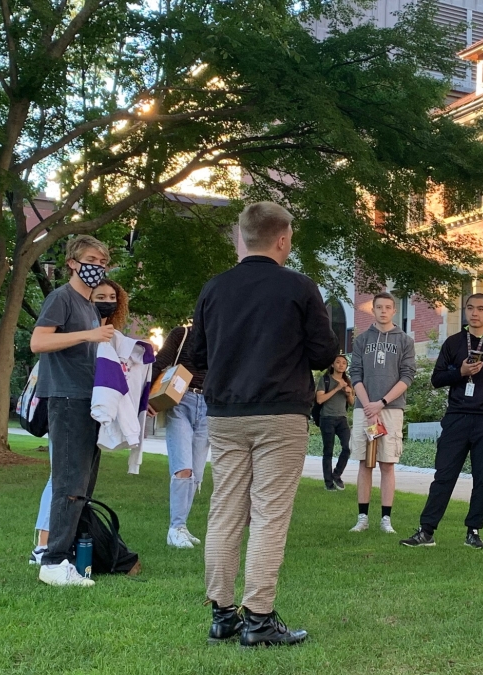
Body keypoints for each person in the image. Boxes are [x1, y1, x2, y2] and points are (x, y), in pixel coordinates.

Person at [190, 202, 338, 646]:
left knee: (225, 511)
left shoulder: (214, 289)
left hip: (226, 414)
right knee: (269, 514)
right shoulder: (299, 287)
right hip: (280, 413)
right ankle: (258, 616)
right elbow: (323, 353)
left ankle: (221, 613)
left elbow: (197, 355)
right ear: (282, 239)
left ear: (242, 236)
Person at [399, 293, 483, 550]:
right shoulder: (453, 343)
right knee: (444, 475)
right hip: (456, 418)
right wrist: (459, 372)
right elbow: (436, 379)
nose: (475, 313)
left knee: (482, 478)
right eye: (470, 308)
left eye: (481, 309)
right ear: (465, 311)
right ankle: (426, 531)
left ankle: (473, 531)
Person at [30, 236, 113, 587]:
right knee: (68, 483)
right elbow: (38, 341)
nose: (99, 266)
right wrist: (87, 336)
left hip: (87, 401)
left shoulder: (89, 305)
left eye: (104, 262)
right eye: (93, 259)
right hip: (65, 399)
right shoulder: (61, 298)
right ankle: (52, 561)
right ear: (73, 263)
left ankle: (69, 557)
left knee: (82, 485)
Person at [347, 293, 416, 534]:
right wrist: (368, 406)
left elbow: (407, 376)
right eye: (379, 307)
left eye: (388, 307)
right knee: (365, 464)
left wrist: (382, 403)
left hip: (391, 410)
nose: (383, 311)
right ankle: (362, 517)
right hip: (364, 410)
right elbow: (355, 373)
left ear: (394, 311)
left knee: (387, 463)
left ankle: (386, 519)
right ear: (373, 310)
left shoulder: (404, 341)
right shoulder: (362, 340)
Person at [151, 323, 209, 549]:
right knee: (183, 467)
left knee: (196, 472)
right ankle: (175, 528)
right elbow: (160, 363)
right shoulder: (182, 333)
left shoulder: (225, 337)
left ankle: (182, 527)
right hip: (180, 400)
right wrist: (147, 399)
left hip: (209, 405)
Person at [316, 354, 354, 490]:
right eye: (338, 362)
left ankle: (336, 474)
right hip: (327, 418)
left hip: (342, 419)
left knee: (348, 447)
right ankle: (328, 483)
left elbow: (352, 402)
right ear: (332, 365)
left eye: (344, 363)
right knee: (328, 451)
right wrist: (337, 388)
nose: (341, 365)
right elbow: (319, 399)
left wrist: (349, 393)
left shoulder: (347, 381)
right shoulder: (325, 380)